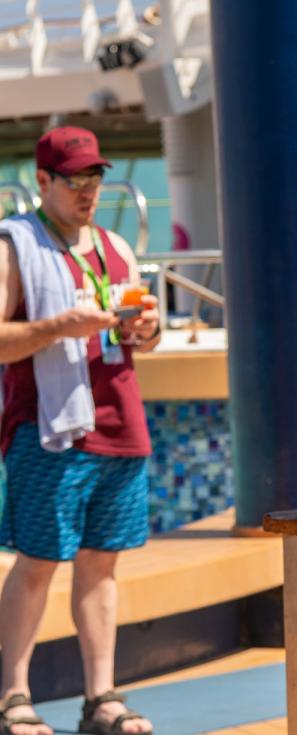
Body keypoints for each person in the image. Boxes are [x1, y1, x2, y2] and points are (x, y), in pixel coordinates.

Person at [0, 126, 159, 735]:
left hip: (121, 423)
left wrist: (146, 331)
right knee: (38, 562)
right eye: (74, 180)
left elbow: (144, 337)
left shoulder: (114, 246)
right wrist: (59, 326)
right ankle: (13, 697)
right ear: (43, 180)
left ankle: (102, 698)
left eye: (94, 177)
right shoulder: (15, 245)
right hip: (51, 430)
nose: (87, 190)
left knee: (101, 565)